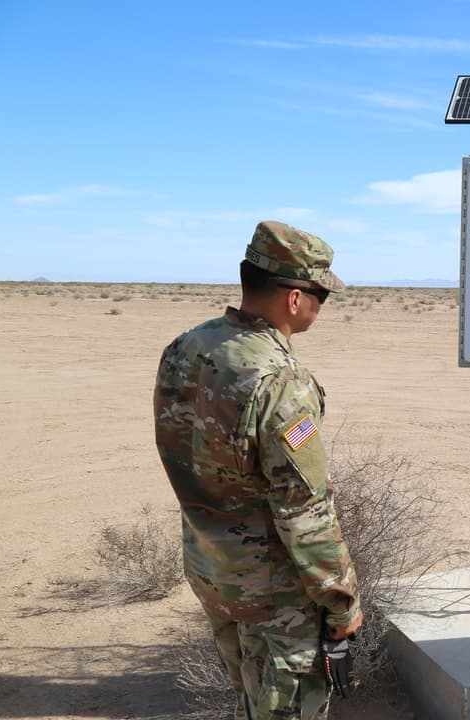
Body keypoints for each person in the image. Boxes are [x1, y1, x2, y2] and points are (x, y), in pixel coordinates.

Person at [154, 221, 362, 720]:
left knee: (249, 699)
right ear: (294, 299)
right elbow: (304, 511)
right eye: (320, 296)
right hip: (275, 596)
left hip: (213, 571)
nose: (319, 307)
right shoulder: (281, 380)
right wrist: (342, 603)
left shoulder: (187, 347)